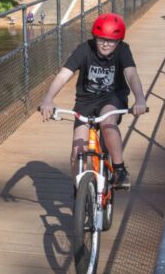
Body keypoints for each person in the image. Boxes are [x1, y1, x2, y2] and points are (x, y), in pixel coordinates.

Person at [38, 13, 148, 190]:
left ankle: (119, 170)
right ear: (94, 37)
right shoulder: (84, 49)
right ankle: (79, 191)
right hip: (86, 101)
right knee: (77, 151)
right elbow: (63, 75)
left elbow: (131, 73)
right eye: (101, 39)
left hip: (112, 98)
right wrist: (48, 99)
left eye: (111, 41)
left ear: (119, 41)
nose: (105, 44)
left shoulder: (123, 50)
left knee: (107, 122)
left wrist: (140, 99)